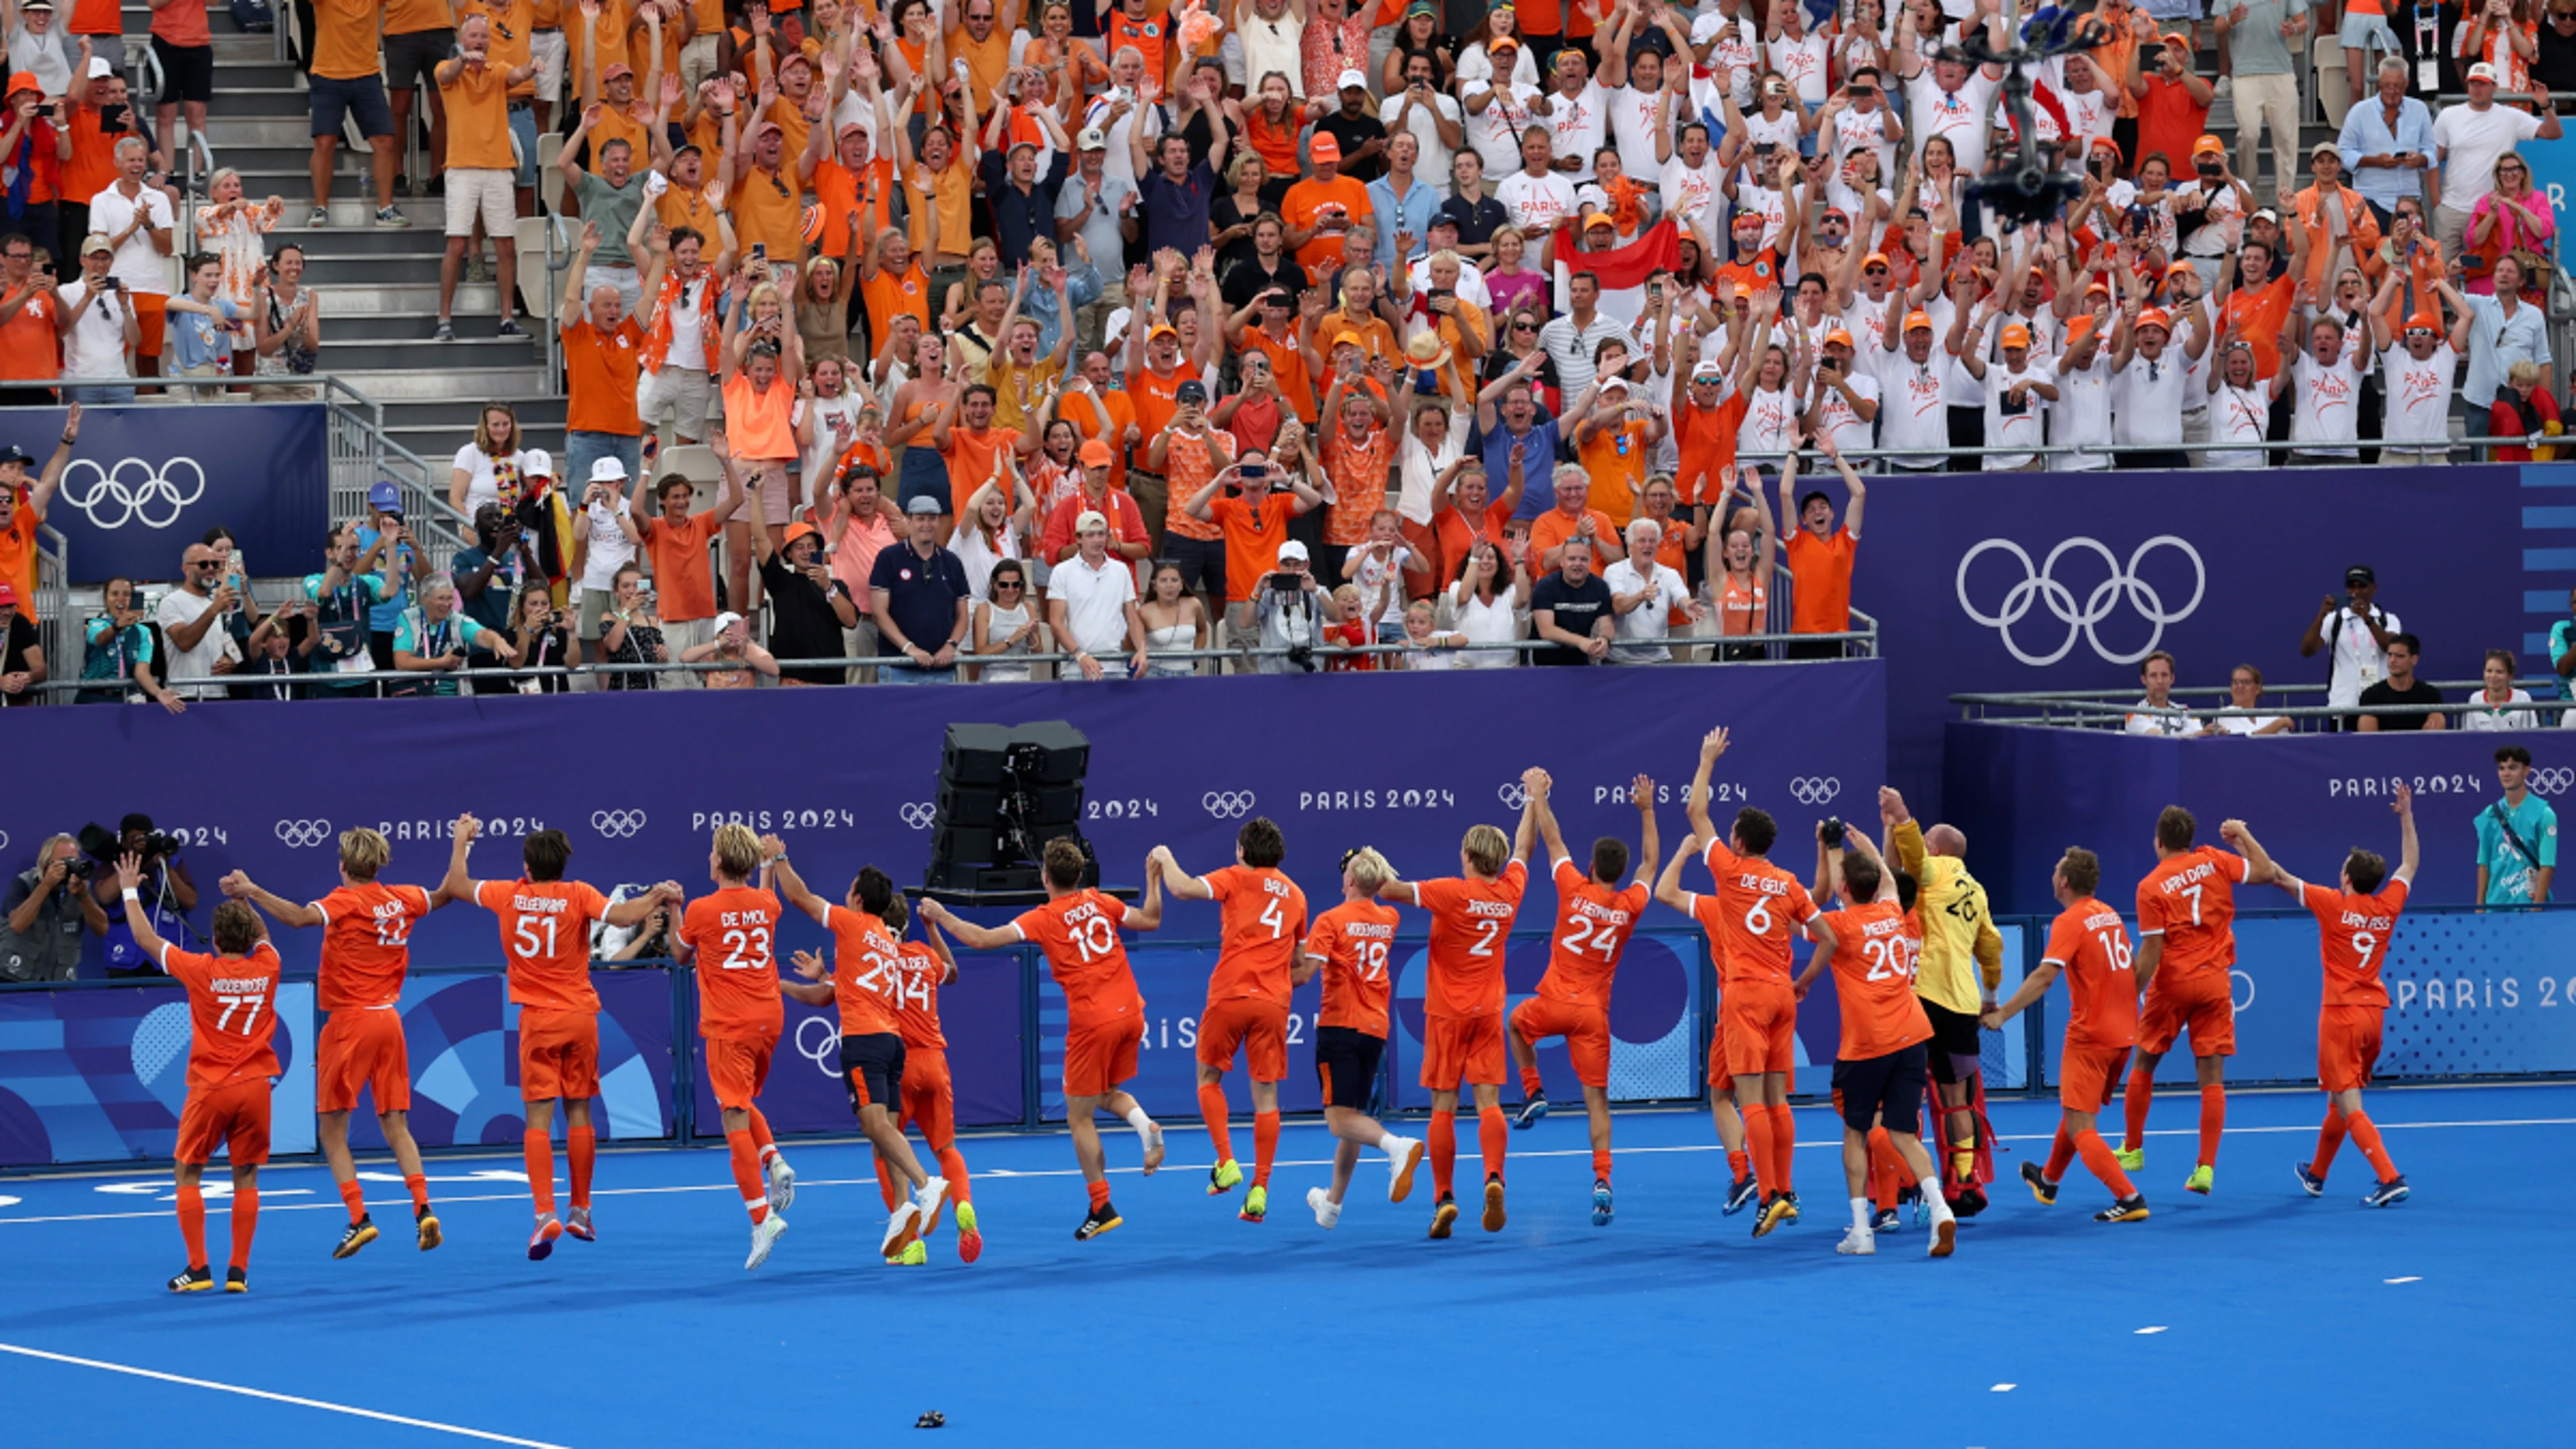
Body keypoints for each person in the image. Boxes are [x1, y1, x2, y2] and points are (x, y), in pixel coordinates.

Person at [443, 815, 672, 1258]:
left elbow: (455, 884)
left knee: (537, 1122)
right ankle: (581, 1211)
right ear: (563, 865)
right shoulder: (579, 894)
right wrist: (657, 896)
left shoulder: (508, 894)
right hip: (581, 1017)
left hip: (538, 1022)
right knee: (580, 1112)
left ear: (526, 867)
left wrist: (461, 842)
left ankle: (544, 1214)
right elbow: (626, 913)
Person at [921, 838, 1169, 1242]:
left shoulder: (1044, 917)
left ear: (1045, 878)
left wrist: (943, 916)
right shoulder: (1101, 901)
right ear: (1079, 875)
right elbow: (1152, 919)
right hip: (1131, 1012)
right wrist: (1152, 879)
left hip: (1093, 1022)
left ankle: (1101, 1204)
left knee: (1079, 1116)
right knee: (1105, 1093)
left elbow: (983, 939)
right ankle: (1146, 1128)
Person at [220, 828, 451, 1259]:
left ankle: (359, 1219)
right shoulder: (404, 899)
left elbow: (296, 918)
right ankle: (423, 1210)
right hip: (389, 1020)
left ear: (344, 865)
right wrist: (461, 846)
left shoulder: (345, 901)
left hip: (349, 1024)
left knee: (332, 1130)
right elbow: (444, 894)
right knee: (396, 1125)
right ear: (378, 864)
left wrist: (251, 890)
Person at [2230, 786, 2419, 1208]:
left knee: (2349, 1102)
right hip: (2374, 1016)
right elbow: (2410, 863)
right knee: (2340, 1095)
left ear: (2347, 877)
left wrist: (2243, 837)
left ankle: (2389, 1178)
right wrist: (2406, 816)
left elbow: (2275, 874)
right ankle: (2316, 1175)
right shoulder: (2387, 904)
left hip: (2341, 1016)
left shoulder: (2330, 903)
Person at [1375, 768, 1543, 1238]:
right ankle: (1494, 1177)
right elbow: (1526, 848)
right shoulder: (1510, 891)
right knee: (1488, 1100)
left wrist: (1372, 860)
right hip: (1489, 1011)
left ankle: (1444, 1198)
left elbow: (1389, 889)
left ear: (1468, 856)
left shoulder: (1451, 892)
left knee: (1443, 1107)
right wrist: (1533, 798)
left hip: (1446, 1013)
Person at [1674, 725, 1822, 1237]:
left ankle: (1768, 1194)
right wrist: (1803, 980)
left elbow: (1695, 812)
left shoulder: (1730, 873)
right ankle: (1787, 1188)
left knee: (1751, 1100)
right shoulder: (1787, 883)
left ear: (1737, 841)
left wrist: (1707, 759)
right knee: (1780, 1101)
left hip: (1745, 995)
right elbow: (1826, 935)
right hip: (1783, 993)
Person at [769, 853, 953, 1260]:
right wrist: (794, 982)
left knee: (875, 1128)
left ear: (856, 897)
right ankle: (904, 1211)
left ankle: (927, 1186)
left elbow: (798, 895)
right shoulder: (888, 942)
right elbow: (829, 994)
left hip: (864, 1041)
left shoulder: (849, 923)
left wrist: (778, 858)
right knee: (887, 1132)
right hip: (892, 1043)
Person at [1794, 822, 1960, 1260]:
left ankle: (1862, 1232)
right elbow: (1886, 878)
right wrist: (1858, 843)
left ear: (1844, 888)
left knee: (1855, 1134)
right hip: (1911, 1035)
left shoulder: (1838, 925)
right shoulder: (1893, 913)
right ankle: (1940, 1207)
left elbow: (1803, 914)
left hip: (1867, 1044)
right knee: (1905, 1133)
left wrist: (1824, 850)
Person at [118, 853, 278, 1294]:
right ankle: (239, 1273)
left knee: (188, 1173)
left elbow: (144, 938)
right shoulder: (268, 967)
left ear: (214, 939)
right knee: (246, 1176)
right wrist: (245, 895)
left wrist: (131, 887)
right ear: (247, 938)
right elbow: (264, 934)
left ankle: (198, 1268)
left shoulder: (200, 970)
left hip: (211, 1088)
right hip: (256, 1089)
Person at [1508, 770, 1657, 1227]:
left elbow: (1551, 837)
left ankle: (1533, 1090)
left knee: (1515, 1022)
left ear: (1592, 867)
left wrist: (1538, 795)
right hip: (1593, 1015)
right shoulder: (1631, 904)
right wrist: (1647, 809)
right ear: (1619, 871)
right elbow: (1651, 863)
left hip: (1553, 1002)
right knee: (1598, 1104)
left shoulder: (1573, 887)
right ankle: (1603, 1182)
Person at [1980, 847, 2153, 1224]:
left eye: (2056, 869)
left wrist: (2004, 1014)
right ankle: (2048, 1180)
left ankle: (2129, 1197)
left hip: (2090, 1036)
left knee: (2081, 1127)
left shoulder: (2070, 921)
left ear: (2064, 881)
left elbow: (2044, 976)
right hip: (2124, 1035)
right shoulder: (2109, 914)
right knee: (2077, 1112)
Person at [1149, 820, 1309, 1222]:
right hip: (1274, 1002)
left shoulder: (1236, 877)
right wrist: (1273, 981)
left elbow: (1182, 888)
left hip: (1230, 993)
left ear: (1242, 850)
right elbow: (1302, 967)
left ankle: (1226, 1161)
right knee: (1267, 1098)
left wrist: (1166, 857)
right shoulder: (1298, 895)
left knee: (1208, 1078)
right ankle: (1260, 1189)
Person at [669, 823, 800, 1270]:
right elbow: (759, 898)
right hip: (770, 1020)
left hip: (730, 1024)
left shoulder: (702, 910)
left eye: (711, 853)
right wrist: (768, 863)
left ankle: (761, 1218)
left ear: (720, 862)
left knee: (732, 1118)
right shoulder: (767, 903)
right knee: (742, 1103)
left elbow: (679, 954)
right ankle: (774, 1160)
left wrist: (673, 907)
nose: (708, 858)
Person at [1881, 787, 2005, 1215]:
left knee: (1906, 1090)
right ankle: (1965, 1181)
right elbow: (1991, 947)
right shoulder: (1978, 889)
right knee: (1959, 1099)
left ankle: (1903, 1179)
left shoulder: (1931, 869)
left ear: (1935, 848)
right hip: (1964, 1003)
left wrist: (1901, 816)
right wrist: (1990, 997)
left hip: (1924, 997)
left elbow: (1909, 859)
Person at [2120, 806, 2255, 1195]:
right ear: (2190, 840)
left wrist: (2126, 996)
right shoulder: (2214, 860)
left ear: (2158, 841)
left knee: (2144, 1060)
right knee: (2211, 1080)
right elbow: (2264, 871)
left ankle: (2132, 1149)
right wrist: (2243, 836)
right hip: (2214, 982)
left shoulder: (2150, 885)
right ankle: (2206, 1169)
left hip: (2174, 983)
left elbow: (2151, 952)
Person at [1295, 845, 1428, 1230]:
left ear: (1349, 880)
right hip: (1374, 1030)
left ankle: (1395, 1146)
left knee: (1339, 1122)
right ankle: (1332, 1204)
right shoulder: (1389, 916)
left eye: (1347, 871)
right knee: (1352, 1116)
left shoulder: (1330, 920)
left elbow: (1304, 972)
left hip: (1340, 1027)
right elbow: (1384, 887)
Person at [867, 896, 979, 1263]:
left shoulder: (875, 958)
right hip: (935, 1063)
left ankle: (910, 1242)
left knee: (885, 1151)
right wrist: (932, 927)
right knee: (946, 1148)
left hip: (897, 1065)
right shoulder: (925, 956)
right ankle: (965, 1214)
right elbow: (953, 970)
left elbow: (838, 993)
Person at [433, 17, 534, 340]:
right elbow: (448, 74)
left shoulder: (498, 70)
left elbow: (517, 75)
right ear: (463, 40)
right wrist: (463, 59)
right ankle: (444, 320)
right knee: (456, 244)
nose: (479, 41)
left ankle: (507, 318)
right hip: (461, 168)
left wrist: (534, 67)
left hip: (498, 168)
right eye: (473, 36)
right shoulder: (446, 68)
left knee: (505, 245)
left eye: (483, 37)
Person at [631, 449, 744, 682]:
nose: (682, 501)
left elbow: (737, 500)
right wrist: (646, 470)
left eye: (685, 496)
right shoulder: (655, 528)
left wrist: (726, 461)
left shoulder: (701, 523)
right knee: (675, 682)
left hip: (705, 615)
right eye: (675, 497)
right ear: (662, 500)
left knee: (710, 680)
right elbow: (634, 510)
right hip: (674, 618)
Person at [2429, 64, 2559, 259]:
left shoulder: (2511, 117)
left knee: (2488, 274)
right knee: (2444, 274)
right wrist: (2437, 204)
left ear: (2495, 87)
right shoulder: (2448, 116)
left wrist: (2545, 106)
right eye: (2473, 83)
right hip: (2452, 210)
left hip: (2491, 210)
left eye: (2483, 84)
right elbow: (2433, 161)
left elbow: (2554, 133)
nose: (2476, 88)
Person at [869, 496, 971, 682]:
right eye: (921, 518)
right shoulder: (888, 558)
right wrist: (909, 648)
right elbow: (879, 613)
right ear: (909, 520)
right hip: (898, 666)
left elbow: (963, 615)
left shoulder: (952, 562)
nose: (927, 524)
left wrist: (951, 646)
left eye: (932, 518)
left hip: (943, 669)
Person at [1779, 439, 1864, 659]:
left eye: (1823, 507)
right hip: (1802, 638)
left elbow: (1859, 493)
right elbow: (1786, 493)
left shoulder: (1845, 542)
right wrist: (1794, 450)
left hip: (1836, 638)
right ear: (1804, 520)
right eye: (1812, 510)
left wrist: (1836, 456)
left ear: (1832, 514)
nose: (1818, 512)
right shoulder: (1797, 542)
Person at [2302, 565, 2398, 729]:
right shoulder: (2335, 620)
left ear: (2374, 588)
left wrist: (2367, 619)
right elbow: (2307, 650)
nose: (2356, 591)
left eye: (2362, 586)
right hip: (2344, 705)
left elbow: (2391, 647)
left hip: (2381, 704)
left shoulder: (2388, 619)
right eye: (2352, 587)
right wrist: (2321, 616)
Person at [0, 833, 104, 982]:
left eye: (75, 861)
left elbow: (102, 929)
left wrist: (84, 896)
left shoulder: (78, 889)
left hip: (58, 981)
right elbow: (17, 925)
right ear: (46, 863)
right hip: (16, 978)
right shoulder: (24, 884)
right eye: (65, 862)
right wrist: (46, 885)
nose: (71, 867)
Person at [2477, 743, 2558, 905]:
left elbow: (2547, 866)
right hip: (2496, 907)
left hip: (2529, 906)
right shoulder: (2490, 815)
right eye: (2502, 768)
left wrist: (2537, 909)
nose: (2506, 774)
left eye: (2512, 768)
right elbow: (2484, 864)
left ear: (2526, 771)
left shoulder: (2544, 814)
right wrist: (2480, 907)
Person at [1529, 533, 1614, 665]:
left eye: (1584, 559)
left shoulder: (1600, 586)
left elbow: (1606, 623)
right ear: (1562, 562)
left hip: (1581, 664)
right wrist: (1581, 642)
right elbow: (1546, 630)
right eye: (1572, 559)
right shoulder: (1546, 586)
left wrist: (1604, 639)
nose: (1577, 564)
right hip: (1543, 665)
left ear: (1591, 562)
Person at [2355, 632, 2446, 732]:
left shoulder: (2431, 694)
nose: (2392, 660)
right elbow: (2369, 740)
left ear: (2414, 659)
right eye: (2390, 655)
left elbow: (2434, 735)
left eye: (2400, 656)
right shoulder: (2371, 696)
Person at [2463, 647, 2542, 731]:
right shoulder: (2475, 699)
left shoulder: (2523, 698)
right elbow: (2470, 737)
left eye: (2499, 672)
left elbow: (2532, 735)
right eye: (2489, 671)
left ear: (2510, 676)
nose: (2493, 676)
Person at [2205, 663, 2294, 735]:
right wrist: (2278, 724)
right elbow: (2245, 742)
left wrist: (2280, 723)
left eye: (2245, 682)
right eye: (2236, 682)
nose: (2240, 686)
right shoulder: (2223, 715)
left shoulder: (2271, 717)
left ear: (2257, 689)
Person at [2124, 649, 2197, 735]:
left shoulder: (2186, 711)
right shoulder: (2134, 714)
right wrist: (2191, 735)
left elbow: (2200, 737)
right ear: (2144, 680)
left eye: (2164, 675)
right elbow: (2162, 740)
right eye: (2153, 676)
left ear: (2172, 678)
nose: (2160, 681)